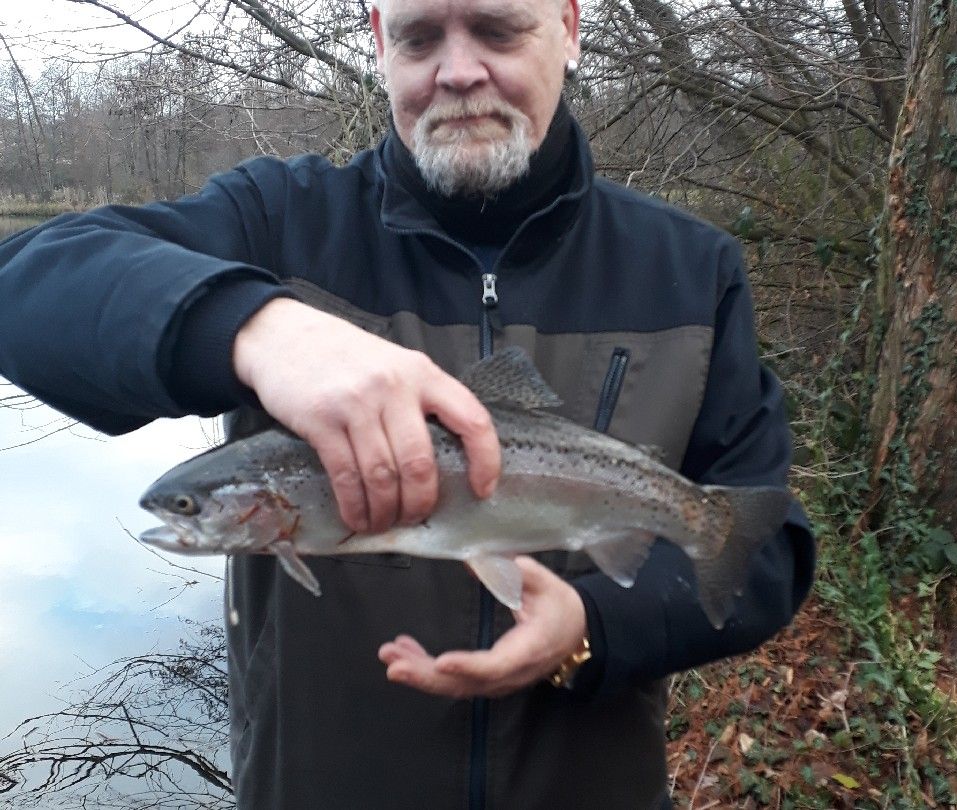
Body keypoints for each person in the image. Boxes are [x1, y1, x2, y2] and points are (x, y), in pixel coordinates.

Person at [0, 0, 815, 807]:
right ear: (378, 45)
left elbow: (764, 554)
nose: (458, 72)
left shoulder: (690, 266)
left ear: (568, 29)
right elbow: (26, 283)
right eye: (419, 37)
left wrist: (593, 629)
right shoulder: (276, 224)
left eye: (497, 30)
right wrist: (250, 325)